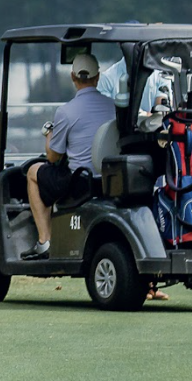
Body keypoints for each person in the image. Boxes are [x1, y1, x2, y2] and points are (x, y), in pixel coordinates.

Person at [24, 51, 118, 259]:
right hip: (108, 179)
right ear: (98, 76)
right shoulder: (113, 106)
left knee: (33, 172)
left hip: (80, 183)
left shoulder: (66, 111)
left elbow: (53, 157)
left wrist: (49, 135)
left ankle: (44, 241)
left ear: (73, 77)